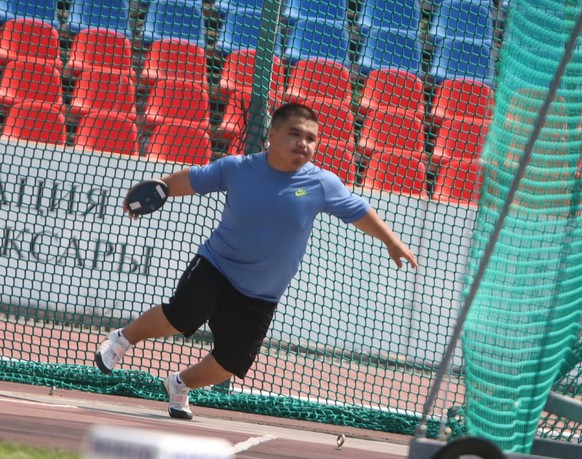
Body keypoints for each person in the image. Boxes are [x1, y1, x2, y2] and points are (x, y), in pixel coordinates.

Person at [95, 101, 419, 419]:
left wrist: (391, 241)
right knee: (181, 316)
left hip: (261, 293)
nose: (303, 143)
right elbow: (194, 179)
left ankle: (179, 384)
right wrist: (161, 189)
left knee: (229, 363)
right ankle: (122, 339)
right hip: (217, 266)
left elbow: (359, 211)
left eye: (311, 138)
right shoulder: (237, 168)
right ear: (273, 135)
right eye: (294, 134)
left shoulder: (322, 183)